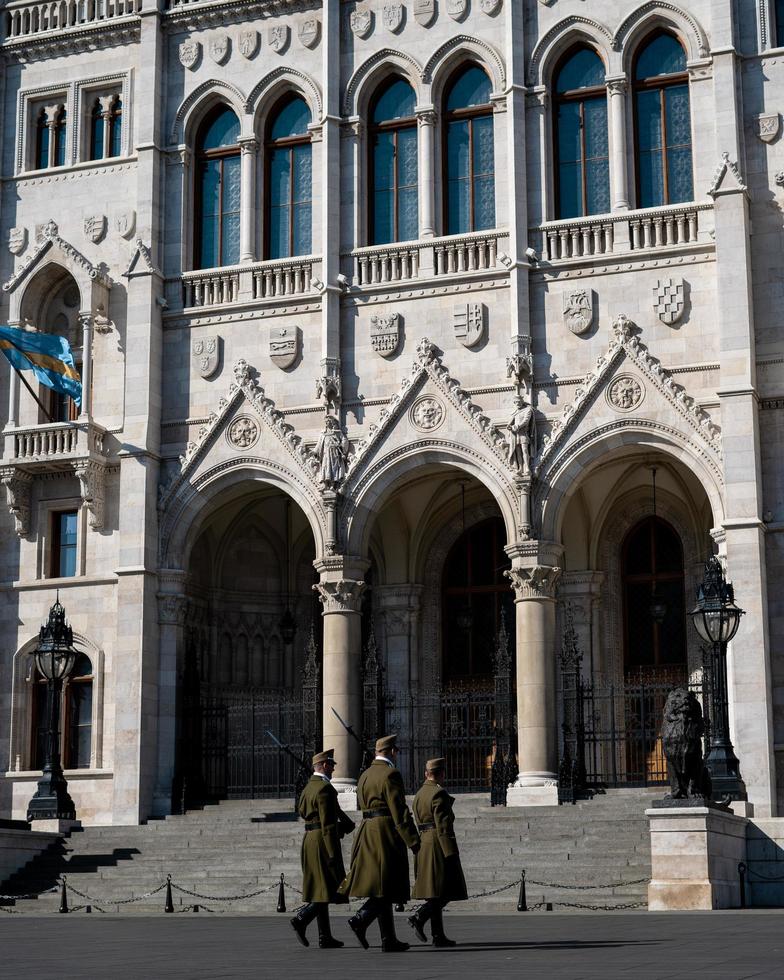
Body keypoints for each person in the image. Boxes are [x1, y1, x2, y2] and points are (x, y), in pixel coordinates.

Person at [339, 734, 420, 953]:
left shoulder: (365, 775)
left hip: (367, 830)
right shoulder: (390, 774)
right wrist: (413, 841)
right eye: (396, 751)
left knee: (383, 887)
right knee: (388, 884)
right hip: (385, 833)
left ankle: (388, 939)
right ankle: (360, 920)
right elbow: (399, 811)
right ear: (391, 751)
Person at [290, 748, 355, 949]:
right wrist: (333, 852)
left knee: (321, 888)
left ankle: (324, 936)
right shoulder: (325, 789)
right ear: (324, 765)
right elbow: (327, 824)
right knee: (327, 887)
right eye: (332, 765)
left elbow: (303, 811)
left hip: (309, 839)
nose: (334, 769)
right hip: (321, 840)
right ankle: (302, 918)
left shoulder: (308, 787)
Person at [408, 757, 467, 947]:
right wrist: (450, 852)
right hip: (437, 843)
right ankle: (420, 915)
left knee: (435, 890)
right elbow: (443, 826)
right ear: (441, 774)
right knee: (447, 888)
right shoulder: (438, 794)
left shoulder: (419, 794)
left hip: (423, 842)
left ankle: (437, 935)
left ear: (427, 774)